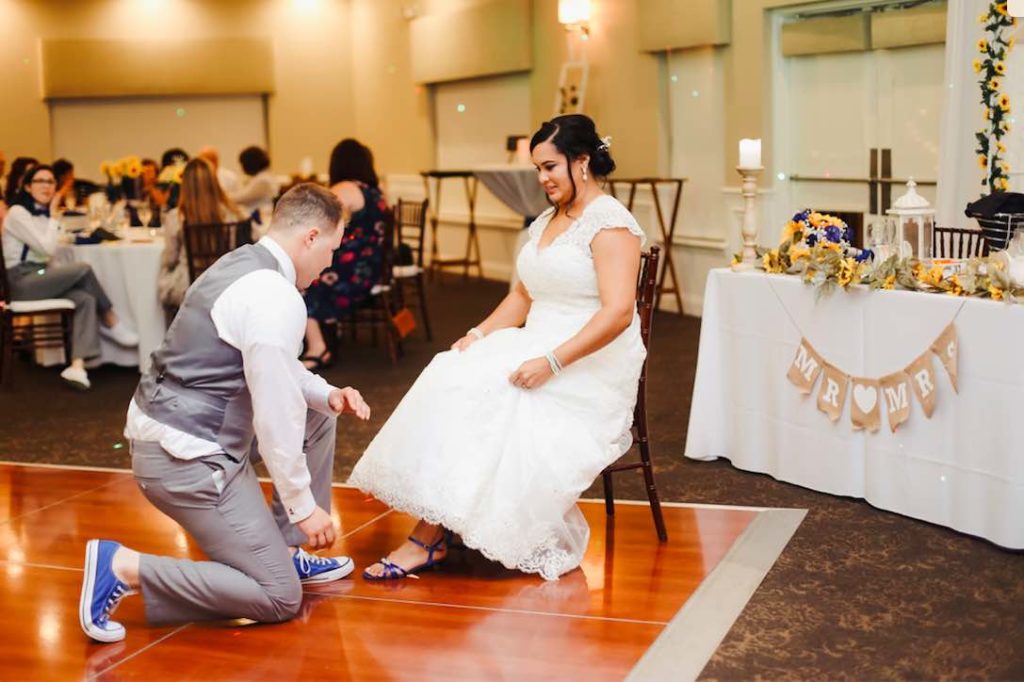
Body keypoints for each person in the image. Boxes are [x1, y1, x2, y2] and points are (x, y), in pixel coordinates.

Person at [349, 114, 647, 581]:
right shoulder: (548, 220)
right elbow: (523, 296)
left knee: (497, 398)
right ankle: (449, 516)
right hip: (536, 340)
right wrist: (479, 335)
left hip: (587, 358)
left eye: (550, 166)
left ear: (582, 161)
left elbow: (618, 314)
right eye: (538, 169)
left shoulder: (611, 224)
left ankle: (427, 540)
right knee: (452, 370)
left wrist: (551, 362)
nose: (543, 178)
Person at [78, 183, 371, 644]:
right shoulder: (276, 296)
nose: (330, 262)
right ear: (311, 237)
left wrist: (327, 392)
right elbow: (276, 415)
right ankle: (124, 567)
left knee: (318, 413)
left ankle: (284, 550)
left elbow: (272, 364)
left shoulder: (243, 263)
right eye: (331, 249)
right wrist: (303, 507)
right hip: (187, 459)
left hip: (177, 433)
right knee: (278, 596)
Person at [1, 165, 139, 389]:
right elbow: (47, 248)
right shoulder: (18, 213)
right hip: (20, 281)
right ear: (27, 186)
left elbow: (50, 248)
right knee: (83, 268)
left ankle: (77, 367)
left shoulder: (40, 213)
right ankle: (110, 319)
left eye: (51, 182)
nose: (47, 186)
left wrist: (52, 219)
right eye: (40, 181)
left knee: (85, 298)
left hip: (39, 275)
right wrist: (55, 214)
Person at [301, 139, 389, 370]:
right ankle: (327, 329)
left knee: (301, 282)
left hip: (351, 273)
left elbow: (317, 222)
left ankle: (318, 346)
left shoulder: (343, 190)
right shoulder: (376, 193)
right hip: (371, 269)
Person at [158, 158, 245, 310]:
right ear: (214, 182)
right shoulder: (234, 214)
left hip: (189, 286)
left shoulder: (177, 217)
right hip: (226, 283)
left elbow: (170, 259)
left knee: (162, 276)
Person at [231, 145, 279, 233]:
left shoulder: (262, 180)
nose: (241, 168)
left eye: (242, 164)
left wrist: (221, 196)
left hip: (261, 222)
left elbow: (241, 198)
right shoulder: (262, 177)